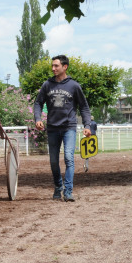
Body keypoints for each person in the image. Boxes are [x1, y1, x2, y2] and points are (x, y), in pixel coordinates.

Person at [33, 55, 92, 202]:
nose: (53, 68)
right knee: (53, 161)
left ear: (65, 67)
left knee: (68, 158)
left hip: (69, 128)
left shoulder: (74, 86)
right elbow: (37, 103)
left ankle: (68, 191)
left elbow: (84, 107)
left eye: (56, 66)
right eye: (52, 66)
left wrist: (87, 125)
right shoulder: (47, 85)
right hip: (52, 128)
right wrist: (38, 119)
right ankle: (58, 186)